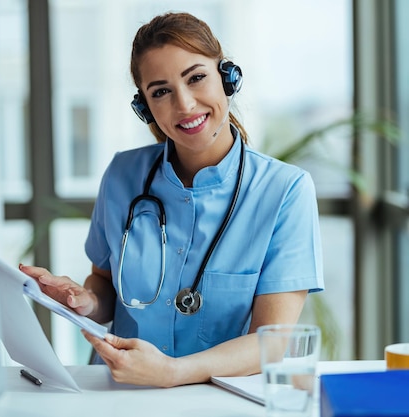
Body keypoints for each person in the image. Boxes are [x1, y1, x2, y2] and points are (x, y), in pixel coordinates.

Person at [19, 11, 324, 388]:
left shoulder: (285, 190)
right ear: (145, 107)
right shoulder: (122, 175)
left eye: (196, 78)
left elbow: (272, 342)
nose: (185, 104)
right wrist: (84, 301)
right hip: (116, 393)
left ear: (227, 77)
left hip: (214, 402)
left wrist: (172, 373)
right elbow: (104, 284)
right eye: (161, 91)